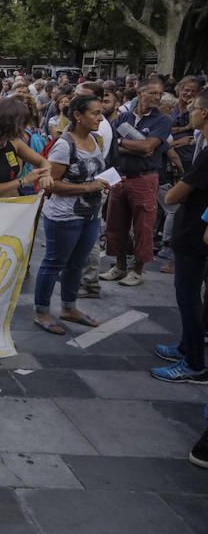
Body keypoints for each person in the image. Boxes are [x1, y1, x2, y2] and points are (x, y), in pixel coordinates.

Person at [33, 95, 110, 335]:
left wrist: (105, 182)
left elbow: (95, 173)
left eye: (101, 113)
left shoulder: (95, 140)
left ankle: (69, 307)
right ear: (78, 116)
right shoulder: (65, 145)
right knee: (54, 262)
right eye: (95, 113)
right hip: (64, 216)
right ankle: (42, 311)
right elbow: (50, 184)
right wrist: (88, 187)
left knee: (78, 263)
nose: (100, 118)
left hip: (90, 215)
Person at [153, 89, 208, 382]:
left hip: (196, 234)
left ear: (205, 113)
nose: (190, 114)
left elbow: (175, 194)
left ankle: (195, 363)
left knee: (188, 297)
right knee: (188, 295)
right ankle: (187, 345)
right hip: (193, 228)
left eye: (194, 109)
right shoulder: (201, 142)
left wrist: (176, 193)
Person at [100, 80, 172, 287]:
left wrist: (122, 143)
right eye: (152, 93)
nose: (157, 97)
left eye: (159, 94)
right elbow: (113, 144)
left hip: (144, 177)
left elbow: (149, 147)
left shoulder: (162, 120)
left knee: (143, 226)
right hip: (120, 176)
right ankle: (120, 265)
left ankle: (137, 270)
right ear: (140, 93)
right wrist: (129, 145)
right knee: (115, 224)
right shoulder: (125, 117)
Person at [0, 98, 53, 198]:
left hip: (13, 204)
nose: (24, 127)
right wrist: (23, 181)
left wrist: (46, 175)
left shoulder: (14, 142)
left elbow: (42, 162)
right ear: (8, 123)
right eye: (22, 123)